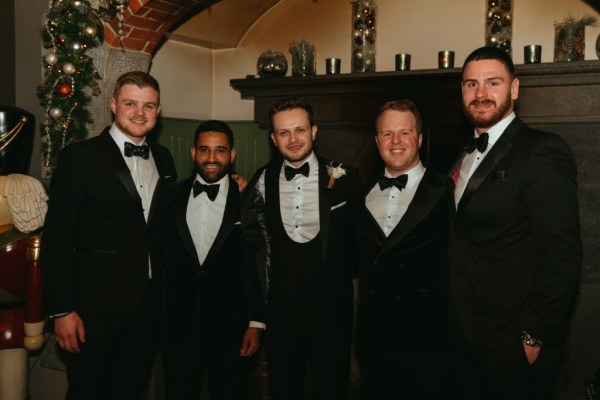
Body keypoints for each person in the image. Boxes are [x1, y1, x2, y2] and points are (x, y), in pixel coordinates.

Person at [450, 46, 582, 400]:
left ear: (515, 88)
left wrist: (532, 337)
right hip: (465, 338)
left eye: (493, 82)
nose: (480, 94)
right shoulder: (462, 154)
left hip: (512, 343)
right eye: (470, 84)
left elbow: (563, 254)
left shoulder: (542, 151)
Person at [41, 71, 177, 399]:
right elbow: (57, 238)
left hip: (147, 306)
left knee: (130, 390)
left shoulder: (164, 158)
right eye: (131, 103)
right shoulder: (80, 157)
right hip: (92, 308)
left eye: (149, 105)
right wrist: (62, 310)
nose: (139, 112)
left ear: (158, 111)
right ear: (114, 104)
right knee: (88, 391)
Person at [241, 96, 359, 400]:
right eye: (284, 132)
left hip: (332, 312)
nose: (293, 140)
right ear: (273, 138)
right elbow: (255, 253)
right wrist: (257, 317)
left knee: (332, 390)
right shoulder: (261, 181)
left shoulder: (345, 178)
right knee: (283, 390)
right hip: (282, 314)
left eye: (300, 130)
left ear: (314, 131)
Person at [354, 99, 455, 399]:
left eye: (404, 133)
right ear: (376, 140)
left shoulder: (447, 190)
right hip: (374, 342)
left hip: (429, 342)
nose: (395, 141)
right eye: (387, 134)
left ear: (420, 139)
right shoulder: (361, 195)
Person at [161, 120, 265, 399]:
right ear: (193, 153)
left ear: (232, 155)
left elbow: (259, 261)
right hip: (177, 323)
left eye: (220, 150)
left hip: (231, 325)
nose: (211, 158)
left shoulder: (249, 199)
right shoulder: (168, 195)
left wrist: (256, 322)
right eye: (204, 150)